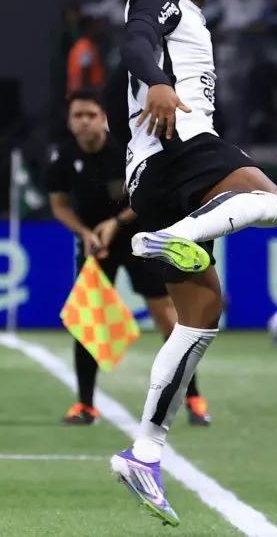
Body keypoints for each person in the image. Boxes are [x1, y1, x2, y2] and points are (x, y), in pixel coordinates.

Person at [96, 0, 277, 527]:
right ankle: (165, 237)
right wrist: (155, 81)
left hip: (154, 176)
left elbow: (124, 68)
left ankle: (145, 452)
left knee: (203, 313)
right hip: (179, 154)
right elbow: (134, 43)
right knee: (270, 201)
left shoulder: (192, 15)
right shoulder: (159, 1)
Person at [45, 89, 210, 428]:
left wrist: (115, 223)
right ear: (69, 121)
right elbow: (59, 205)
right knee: (88, 321)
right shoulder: (62, 158)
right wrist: (85, 233)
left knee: (167, 317)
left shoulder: (125, 149)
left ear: (103, 118)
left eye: (91, 114)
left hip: (140, 237)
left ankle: (193, 397)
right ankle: (86, 405)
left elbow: (150, 194)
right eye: (78, 115)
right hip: (96, 243)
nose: (85, 121)